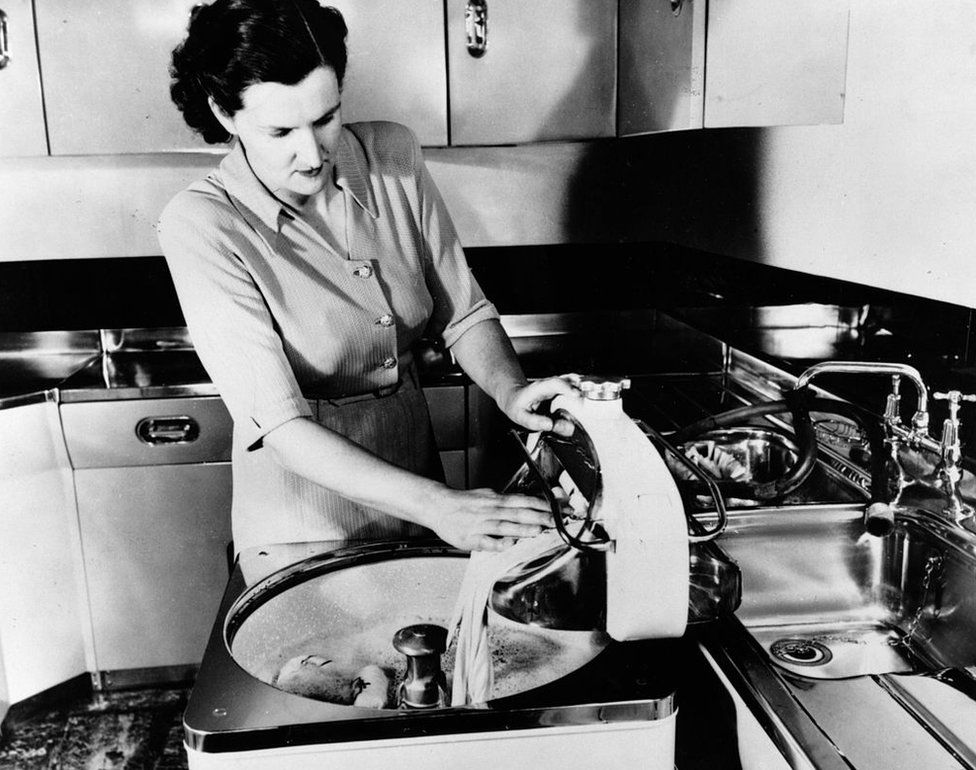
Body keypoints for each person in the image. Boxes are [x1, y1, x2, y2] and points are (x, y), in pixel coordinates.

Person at [157, 0, 577, 555]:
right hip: (304, 526)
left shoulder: (391, 156)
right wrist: (439, 505)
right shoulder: (202, 224)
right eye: (280, 130)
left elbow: (464, 311)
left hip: (423, 502)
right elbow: (281, 428)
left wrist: (511, 390)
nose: (312, 153)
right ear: (225, 114)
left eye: (326, 118)